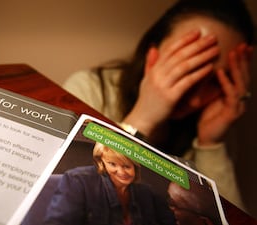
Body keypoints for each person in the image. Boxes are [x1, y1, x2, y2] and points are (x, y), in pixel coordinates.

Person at [62, 0, 255, 211]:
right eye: (189, 69)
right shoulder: (90, 89)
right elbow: (74, 197)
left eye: (217, 81)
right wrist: (143, 119)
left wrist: (211, 144)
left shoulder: (212, 121)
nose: (195, 99)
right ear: (151, 53)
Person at [43, 143, 176, 225]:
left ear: (136, 167)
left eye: (127, 166)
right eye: (112, 164)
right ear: (102, 163)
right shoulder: (78, 180)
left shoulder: (147, 193)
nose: (121, 172)